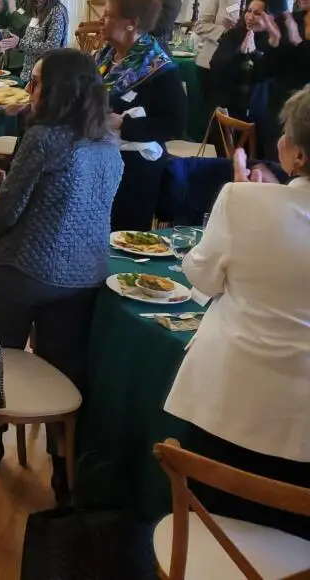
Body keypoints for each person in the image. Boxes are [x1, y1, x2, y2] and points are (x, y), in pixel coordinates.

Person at [163, 87, 310, 539]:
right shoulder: (247, 201)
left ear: (298, 155)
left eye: (285, 133)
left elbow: (202, 280)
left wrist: (243, 202)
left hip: (230, 404)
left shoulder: (241, 200)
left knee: (217, 529)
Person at [0, 48, 123, 499]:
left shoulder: (45, 139)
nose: (30, 89)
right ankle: (64, 466)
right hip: (84, 278)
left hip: (27, 268)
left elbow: (7, 209)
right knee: (66, 369)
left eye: (37, 82)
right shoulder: (108, 145)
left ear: (58, 89)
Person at [96, 0, 188, 230]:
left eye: (109, 16)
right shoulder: (107, 54)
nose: (102, 21)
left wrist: (124, 124)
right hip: (101, 158)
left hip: (135, 170)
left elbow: (175, 124)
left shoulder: (158, 67)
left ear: (131, 23)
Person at [210, 0, 296, 157]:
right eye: (249, 11)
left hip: (264, 115)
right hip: (231, 107)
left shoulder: (282, 42)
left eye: (258, 13)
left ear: (274, 17)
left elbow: (268, 75)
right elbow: (216, 65)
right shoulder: (236, 34)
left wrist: (260, 52)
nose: (250, 17)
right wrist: (240, 54)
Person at [13, 0, 69, 84]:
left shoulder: (57, 11)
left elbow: (52, 48)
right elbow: (31, 40)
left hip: (45, 79)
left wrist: (20, 43)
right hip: (28, 75)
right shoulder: (38, 9)